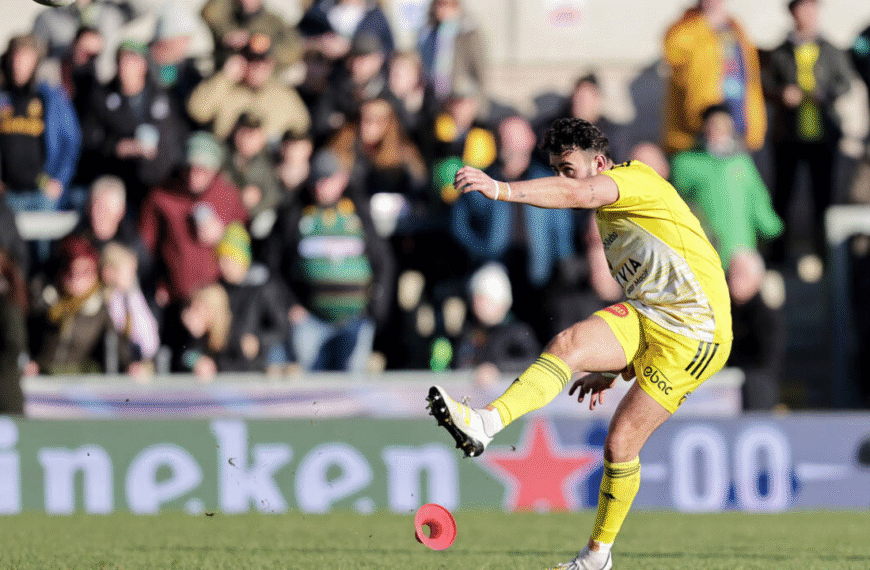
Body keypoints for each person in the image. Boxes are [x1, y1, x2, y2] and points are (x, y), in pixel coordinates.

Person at [427, 117, 733, 570]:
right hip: (651, 315)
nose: (564, 179)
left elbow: (578, 193)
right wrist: (612, 365)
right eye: (556, 169)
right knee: (567, 343)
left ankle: (596, 557)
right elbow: (645, 288)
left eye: (569, 168)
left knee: (621, 445)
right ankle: (484, 424)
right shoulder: (610, 222)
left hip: (697, 333)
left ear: (601, 163)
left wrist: (502, 189)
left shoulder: (632, 182)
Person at [762, 0, 853, 265]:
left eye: (812, 8)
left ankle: (825, 254)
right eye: (802, 9)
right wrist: (782, 95)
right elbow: (765, 85)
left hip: (823, 136)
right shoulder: (780, 51)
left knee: (823, 197)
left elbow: (845, 83)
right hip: (788, 136)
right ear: (793, 13)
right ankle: (778, 254)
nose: (808, 15)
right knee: (782, 196)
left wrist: (824, 95)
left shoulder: (831, 49)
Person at [662, 0, 766, 155]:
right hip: (700, 125)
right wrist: (703, 21)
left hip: (737, 120)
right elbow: (674, 54)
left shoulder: (735, 27)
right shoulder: (686, 26)